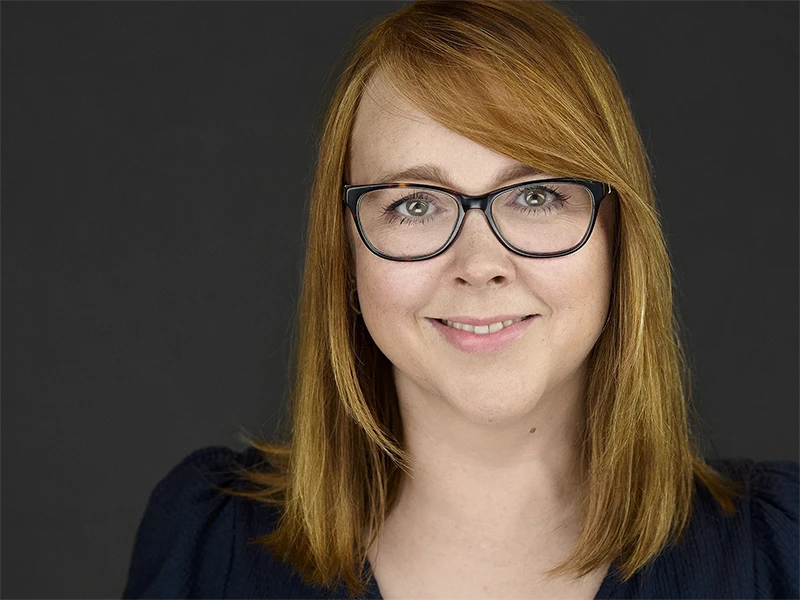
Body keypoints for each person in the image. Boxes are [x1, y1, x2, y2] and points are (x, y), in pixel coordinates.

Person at [122, 0, 800, 598]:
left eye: (536, 196)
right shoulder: (207, 545)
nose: (480, 266)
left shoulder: (780, 556)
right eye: (415, 204)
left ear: (618, 238)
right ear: (348, 253)